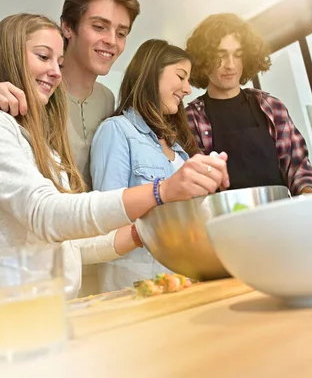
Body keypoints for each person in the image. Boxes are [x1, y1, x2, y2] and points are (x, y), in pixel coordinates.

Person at [0, 13, 229, 299]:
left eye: (59, 63)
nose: (55, 72)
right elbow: (46, 213)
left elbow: (71, 243)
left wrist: (145, 233)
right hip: (8, 313)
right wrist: (162, 191)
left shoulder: (45, 148)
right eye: (43, 56)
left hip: (52, 307)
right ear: (3, 56)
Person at [0, 0, 139, 187]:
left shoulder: (106, 98)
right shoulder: (33, 91)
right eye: (99, 27)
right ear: (68, 27)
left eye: (121, 33)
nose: (112, 41)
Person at [90, 39, 228, 291]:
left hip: (181, 279)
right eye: (181, 76)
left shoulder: (179, 148)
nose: (188, 89)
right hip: (134, 284)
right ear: (153, 72)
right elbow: (107, 218)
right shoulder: (116, 131)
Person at [185, 13, 312, 195]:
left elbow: (298, 167)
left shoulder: (272, 107)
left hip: (280, 216)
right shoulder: (190, 119)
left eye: (238, 55)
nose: (231, 65)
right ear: (203, 59)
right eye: (220, 56)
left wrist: (307, 195)